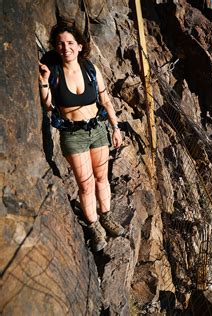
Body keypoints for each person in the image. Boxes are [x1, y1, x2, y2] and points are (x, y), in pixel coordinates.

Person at [38, 23, 125, 252]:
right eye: (60, 44)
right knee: (85, 185)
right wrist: (45, 82)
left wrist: (116, 127)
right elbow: (48, 107)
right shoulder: (54, 71)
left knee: (102, 178)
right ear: (56, 47)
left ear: (79, 46)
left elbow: (105, 100)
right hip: (73, 135)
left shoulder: (90, 68)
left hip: (97, 130)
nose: (65, 48)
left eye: (69, 43)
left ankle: (106, 216)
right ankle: (94, 226)